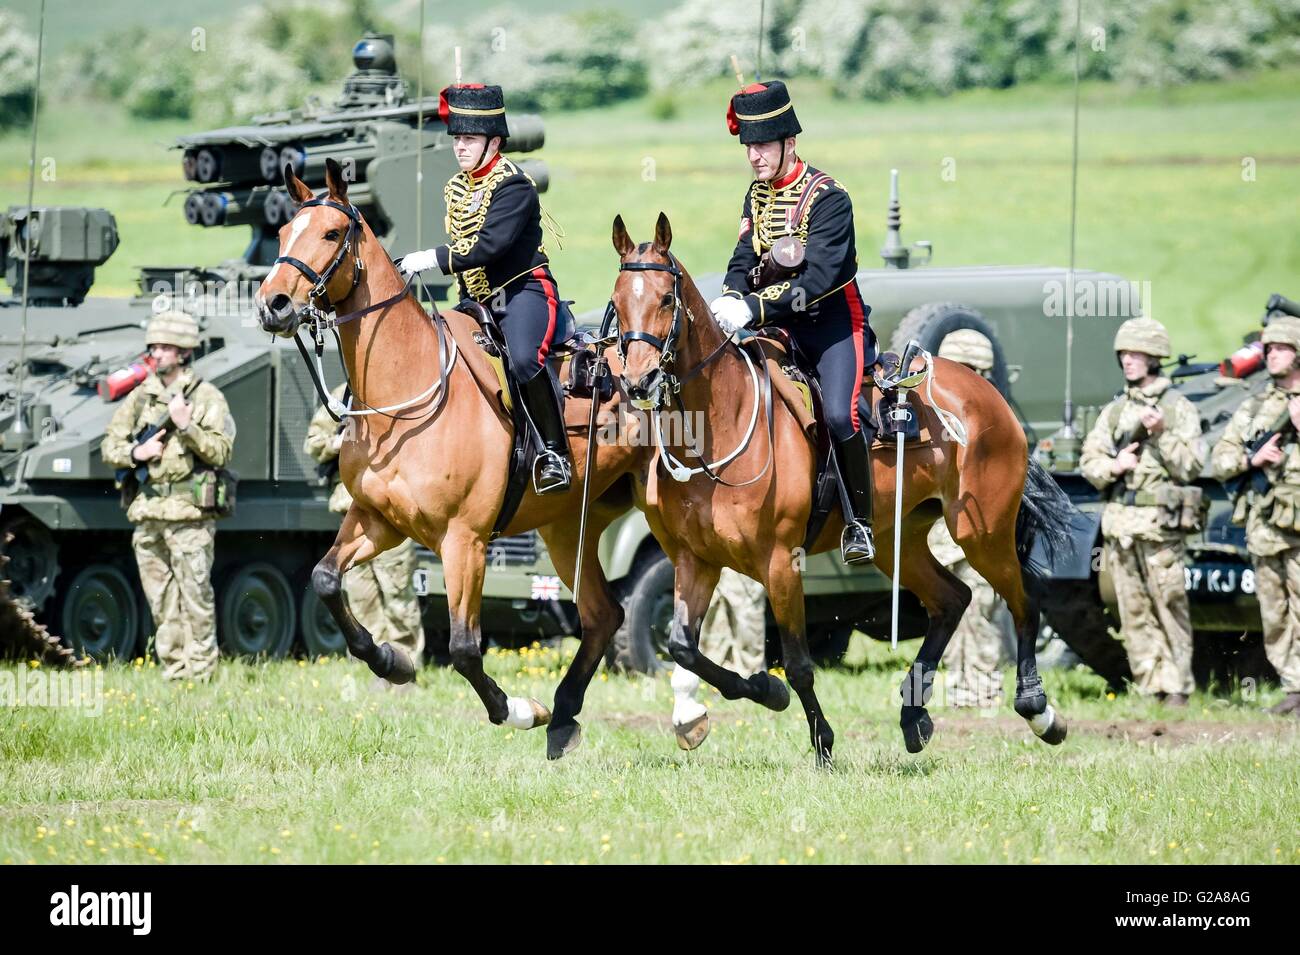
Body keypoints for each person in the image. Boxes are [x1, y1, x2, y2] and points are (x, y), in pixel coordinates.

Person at [710, 79, 879, 565]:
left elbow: (823, 275)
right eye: (748, 146)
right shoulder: (757, 196)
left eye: (762, 145)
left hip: (830, 324)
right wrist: (730, 297)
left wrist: (755, 309)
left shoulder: (829, 197)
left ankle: (860, 524)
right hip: (777, 327)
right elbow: (745, 255)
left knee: (837, 415)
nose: (754, 157)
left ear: (790, 143)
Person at [396, 83, 573, 494]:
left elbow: (487, 247)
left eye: (469, 139)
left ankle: (553, 453)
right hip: (473, 301)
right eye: (457, 138)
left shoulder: (515, 186)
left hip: (522, 292)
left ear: (494, 141)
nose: (460, 147)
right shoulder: (459, 186)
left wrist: (429, 259)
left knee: (525, 359)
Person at [100, 311, 234, 681]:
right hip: (148, 512)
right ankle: (175, 672)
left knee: (196, 599)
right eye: (153, 346)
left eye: (164, 347)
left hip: (190, 515)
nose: (156, 353)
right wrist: (135, 455)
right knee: (162, 601)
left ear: (183, 352)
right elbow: (109, 444)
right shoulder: (142, 397)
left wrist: (187, 426)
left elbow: (221, 452)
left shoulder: (206, 397)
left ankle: (202, 675)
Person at [1079, 318, 1204, 705]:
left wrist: (1163, 434)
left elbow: (1193, 465)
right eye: (1124, 354)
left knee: (1169, 604)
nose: (1128, 361)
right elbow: (1090, 460)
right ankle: (1151, 685)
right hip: (1121, 527)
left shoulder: (1177, 409)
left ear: (1155, 357)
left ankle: (1178, 686)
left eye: (1136, 354)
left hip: (1160, 529)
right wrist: (1113, 467)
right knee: (1132, 610)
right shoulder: (1116, 411)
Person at [1210, 315, 1300, 716]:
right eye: (1269, 349)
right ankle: (1295, 689)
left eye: (1280, 348)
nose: (1272, 355)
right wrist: (1252, 457)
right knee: (1275, 611)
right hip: (1266, 528)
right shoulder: (1255, 405)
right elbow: (1221, 458)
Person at [304, 384, 424, 676]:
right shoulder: (342, 397)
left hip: (394, 516)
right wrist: (337, 442)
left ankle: (405, 671)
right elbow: (313, 442)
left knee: (398, 599)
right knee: (360, 599)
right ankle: (373, 670)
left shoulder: (403, 391)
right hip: (352, 518)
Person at [930, 330, 1013, 708]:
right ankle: (961, 692)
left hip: (980, 538)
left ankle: (985, 692)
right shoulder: (934, 418)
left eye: (966, 370)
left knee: (981, 614)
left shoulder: (996, 424)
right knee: (948, 615)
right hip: (943, 541)